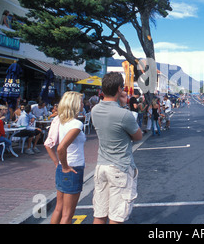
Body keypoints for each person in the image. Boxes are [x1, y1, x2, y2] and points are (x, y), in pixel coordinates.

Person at [91, 72, 142, 224]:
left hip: (101, 166)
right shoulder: (124, 115)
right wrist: (123, 106)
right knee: (116, 216)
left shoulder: (95, 110)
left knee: (100, 214)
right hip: (120, 167)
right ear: (120, 89)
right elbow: (138, 136)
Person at [44, 91, 86, 224]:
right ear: (74, 104)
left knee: (59, 209)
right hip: (73, 168)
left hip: (63, 167)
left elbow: (49, 144)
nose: (83, 104)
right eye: (80, 102)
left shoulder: (59, 120)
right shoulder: (76, 124)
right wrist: (66, 166)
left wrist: (58, 163)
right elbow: (61, 147)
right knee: (68, 214)